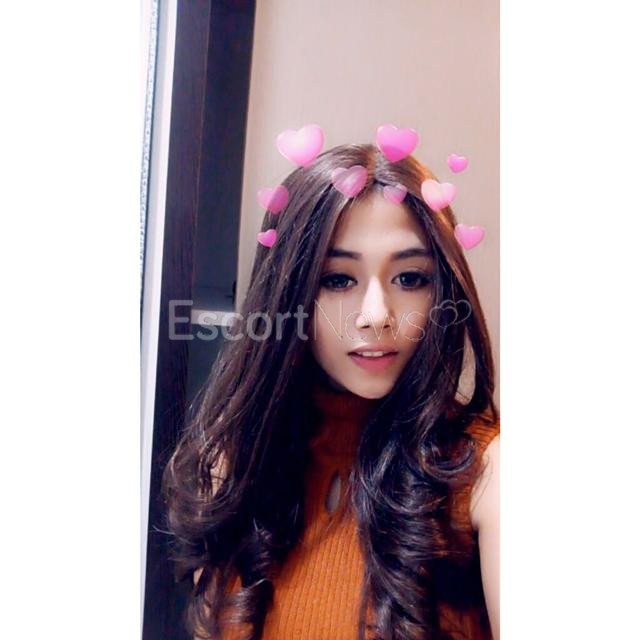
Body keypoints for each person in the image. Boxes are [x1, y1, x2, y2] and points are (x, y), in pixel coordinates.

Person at [162, 140, 500, 640]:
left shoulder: (488, 476)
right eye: (338, 280)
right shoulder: (232, 466)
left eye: (410, 277)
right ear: (289, 294)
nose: (376, 315)